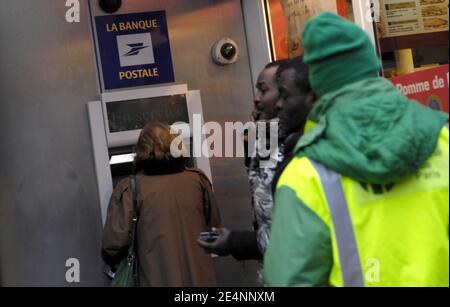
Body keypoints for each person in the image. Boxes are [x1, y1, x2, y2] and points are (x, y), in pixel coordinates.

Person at [264, 12, 449, 287]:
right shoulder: (442, 139)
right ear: (370, 66)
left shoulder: (305, 176)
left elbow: (288, 280)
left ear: (318, 86)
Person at [198, 58, 313, 285]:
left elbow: (277, 233)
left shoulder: (301, 147)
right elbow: (262, 208)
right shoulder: (268, 137)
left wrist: (232, 241)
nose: (257, 98)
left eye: (264, 90)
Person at [102, 123, 221, 287]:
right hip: (200, 277)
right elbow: (214, 226)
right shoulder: (198, 180)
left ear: (141, 150)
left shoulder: (131, 188)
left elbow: (114, 244)